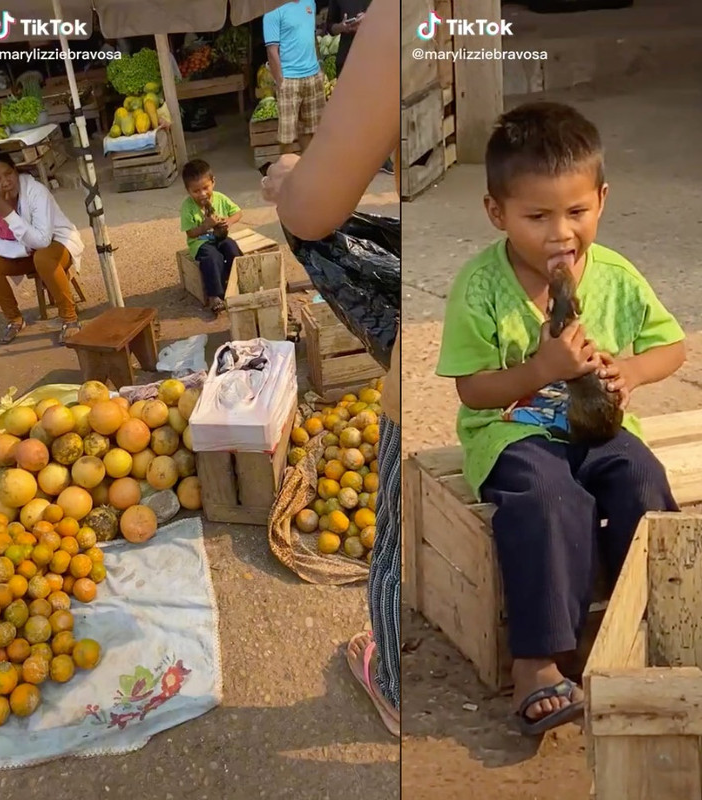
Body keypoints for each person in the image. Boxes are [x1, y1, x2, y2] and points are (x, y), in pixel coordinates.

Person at [436, 102, 687, 732]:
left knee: (641, 479)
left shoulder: (618, 275)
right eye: (536, 217)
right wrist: (542, 368)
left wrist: (629, 372)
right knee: (551, 499)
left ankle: (654, 624)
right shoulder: (481, 287)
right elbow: (473, 391)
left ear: (601, 199)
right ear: (497, 212)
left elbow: (671, 346)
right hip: (513, 434)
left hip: (602, 430)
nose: (560, 234)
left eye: (576, 212)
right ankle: (540, 660)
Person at [261, 0, 402, 737]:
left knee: (402, 532)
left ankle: (398, 682)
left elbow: (314, 209)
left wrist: (289, 176)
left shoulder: (404, 16)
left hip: (441, 342)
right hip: (532, 314)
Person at [0, 149, 85, 345]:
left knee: (42, 257)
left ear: (15, 170)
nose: (6, 182)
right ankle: (14, 320)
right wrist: (23, 250)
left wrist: (7, 212)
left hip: (56, 245)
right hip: (23, 252)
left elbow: (43, 240)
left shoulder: (35, 190)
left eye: (9, 173)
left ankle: (70, 319)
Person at [325, 0, 393, 175]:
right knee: (349, 112)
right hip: (347, 58)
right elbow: (330, 27)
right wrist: (343, 27)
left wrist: (370, 19)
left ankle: (381, 159)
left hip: (373, 56)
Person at [180, 159, 243, 317]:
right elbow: (190, 233)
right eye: (196, 191)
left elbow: (238, 213)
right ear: (188, 190)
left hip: (220, 237)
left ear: (213, 182)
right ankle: (215, 295)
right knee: (212, 257)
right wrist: (206, 225)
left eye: (205, 188)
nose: (202, 194)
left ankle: (236, 281)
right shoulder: (187, 207)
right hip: (201, 243)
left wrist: (228, 222)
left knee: (232, 248)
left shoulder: (220, 198)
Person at [263, 0, 325, 155]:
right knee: (287, 136)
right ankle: (287, 171)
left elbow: (312, 37)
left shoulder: (309, 2)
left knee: (311, 130)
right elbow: (272, 50)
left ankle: (309, 169)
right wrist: (280, 81)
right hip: (289, 79)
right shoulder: (273, 10)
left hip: (313, 76)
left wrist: (320, 66)